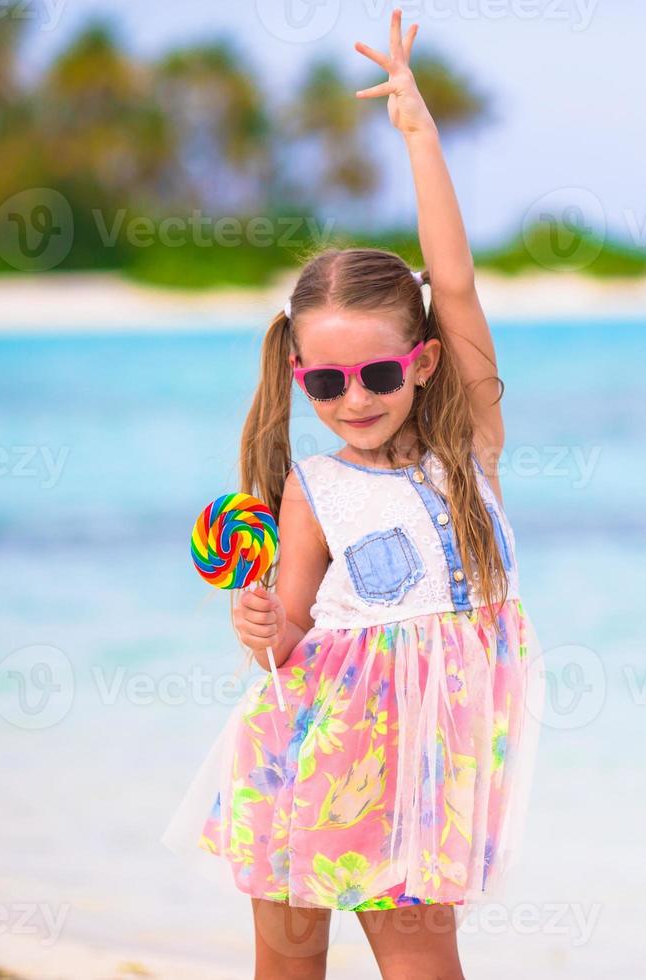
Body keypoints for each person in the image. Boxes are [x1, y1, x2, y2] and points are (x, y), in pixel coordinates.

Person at [164, 11, 544, 977]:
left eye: (378, 374)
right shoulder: (313, 487)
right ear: (299, 377)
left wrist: (420, 135)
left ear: (420, 364)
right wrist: (257, 626)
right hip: (311, 752)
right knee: (288, 966)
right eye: (327, 384)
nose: (356, 399)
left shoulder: (468, 448)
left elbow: (452, 284)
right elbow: (288, 640)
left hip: (425, 777)